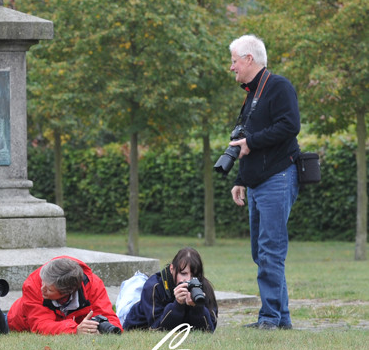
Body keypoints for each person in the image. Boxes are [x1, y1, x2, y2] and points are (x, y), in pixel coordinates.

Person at [228, 34, 300, 330]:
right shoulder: (251, 94)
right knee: (261, 252)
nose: (231, 67)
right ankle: (280, 319)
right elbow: (246, 142)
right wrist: (240, 179)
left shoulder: (278, 86)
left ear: (249, 59)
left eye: (233, 60)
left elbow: (290, 125)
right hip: (257, 182)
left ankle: (269, 318)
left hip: (278, 178)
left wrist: (251, 141)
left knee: (270, 250)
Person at [7, 256, 122, 335]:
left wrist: (100, 330)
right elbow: (41, 325)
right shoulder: (33, 285)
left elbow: (110, 318)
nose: (42, 289)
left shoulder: (93, 285)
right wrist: (74, 330)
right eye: (43, 282)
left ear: (67, 292)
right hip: (16, 323)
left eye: (49, 289)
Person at [121, 247, 219, 332]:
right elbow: (156, 328)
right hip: (130, 314)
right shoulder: (154, 286)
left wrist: (198, 308)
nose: (188, 279)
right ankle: (138, 278)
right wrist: (178, 305)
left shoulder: (204, 287)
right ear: (172, 269)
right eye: (183, 273)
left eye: (194, 275)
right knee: (134, 287)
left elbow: (209, 330)